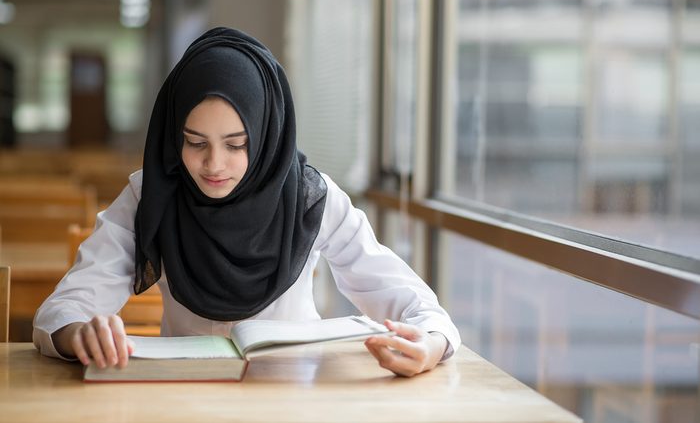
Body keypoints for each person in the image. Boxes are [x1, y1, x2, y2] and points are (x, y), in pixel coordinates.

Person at [33, 27, 461, 377]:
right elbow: (62, 311)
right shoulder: (152, 195)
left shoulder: (311, 197)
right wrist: (79, 334)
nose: (213, 165)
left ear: (268, 135)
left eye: (237, 144)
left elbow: (415, 304)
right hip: (182, 400)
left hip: (293, 402)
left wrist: (430, 343)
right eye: (194, 142)